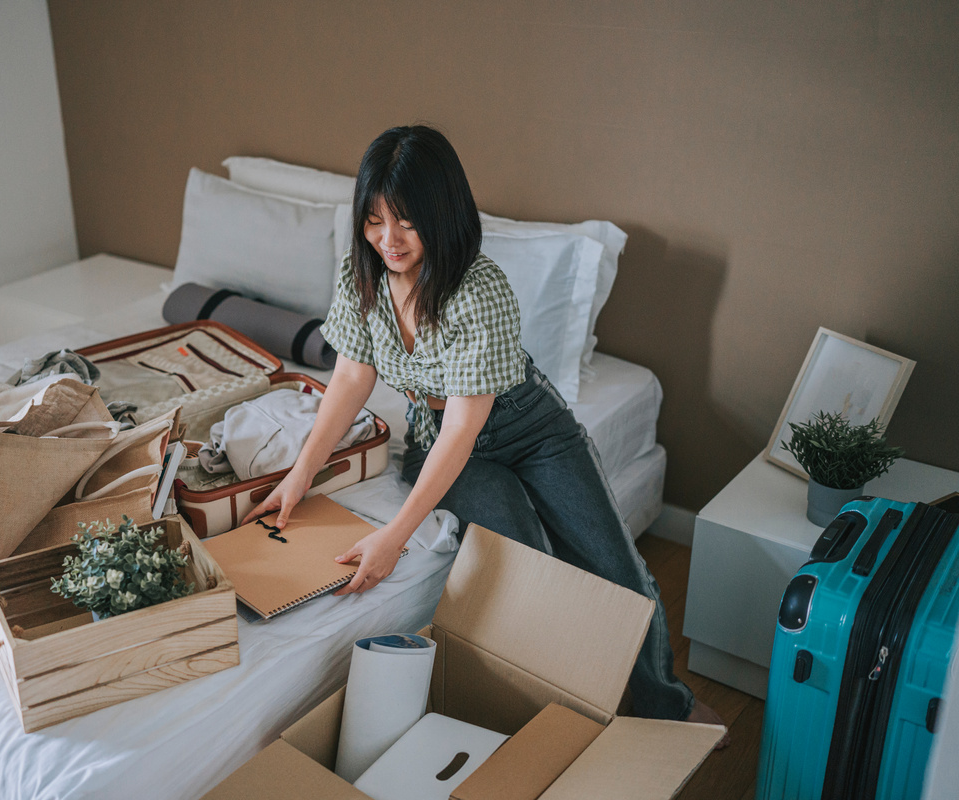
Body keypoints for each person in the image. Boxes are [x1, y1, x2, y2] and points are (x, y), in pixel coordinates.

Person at [242, 124, 724, 729]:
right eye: (373, 219)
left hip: (528, 428)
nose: (386, 239)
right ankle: (567, 710)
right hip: (439, 436)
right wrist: (299, 475)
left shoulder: (479, 290)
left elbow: (467, 427)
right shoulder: (359, 276)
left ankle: (666, 703)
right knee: (531, 564)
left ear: (441, 214)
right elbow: (348, 380)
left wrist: (393, 537)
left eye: (406, 222)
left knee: (616, 569)